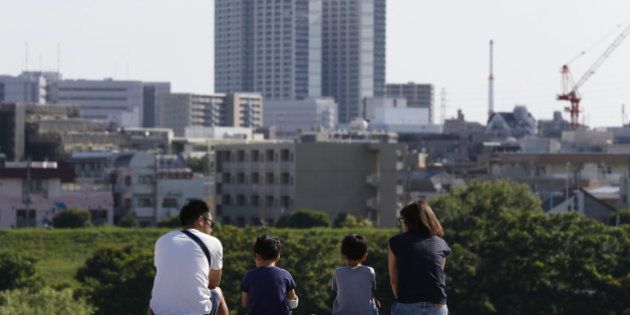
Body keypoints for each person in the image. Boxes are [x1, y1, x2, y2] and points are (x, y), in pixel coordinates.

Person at [148, 199, 228, 315]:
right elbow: (213, 283)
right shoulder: (213, 242)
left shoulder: (162, 240)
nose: (211, 229)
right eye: (211, 224)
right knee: (218, 291)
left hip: (160, 312)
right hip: (198, 312)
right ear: (201, 220)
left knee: (155, 302)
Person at [388, 200, 451, 315]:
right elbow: (437, 275)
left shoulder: (396, 242)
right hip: (437, 306)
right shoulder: (440, 244)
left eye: (402, 220)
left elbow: (393, 278)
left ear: (408, 222)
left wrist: (403, 299)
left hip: (407, 304)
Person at [240, 234, 299, 315]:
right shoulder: (285, 274)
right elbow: (292, 301)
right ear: (278, 257)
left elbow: (244, 303)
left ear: (257, 256)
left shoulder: (249, 275)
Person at [331, 233, 380, 315]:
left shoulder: (337, 272)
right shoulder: (370, 271)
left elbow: (337, 290)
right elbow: (371, 288)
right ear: (364, 256)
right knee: (374, 301)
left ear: (343, 256)